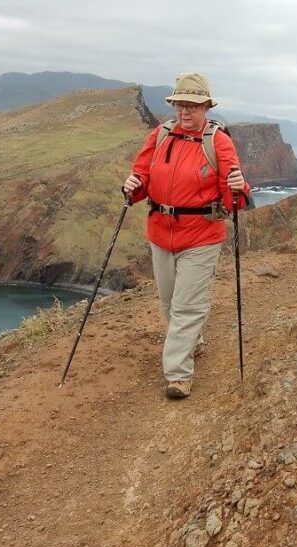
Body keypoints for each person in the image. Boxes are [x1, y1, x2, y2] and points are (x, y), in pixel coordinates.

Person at [122, 73, 250, 399]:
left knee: (186, 308)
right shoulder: (161, 135)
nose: (184, 112)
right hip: (160, 232)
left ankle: (178, 374)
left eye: (192, 106)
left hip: (202, 235)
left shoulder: (218, 141)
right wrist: (132, 187)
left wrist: (239, 190)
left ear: (206, 106)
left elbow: (231, 197)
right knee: (168, 303)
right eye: (179, 104)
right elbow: (142, 174)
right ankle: (193, 341)